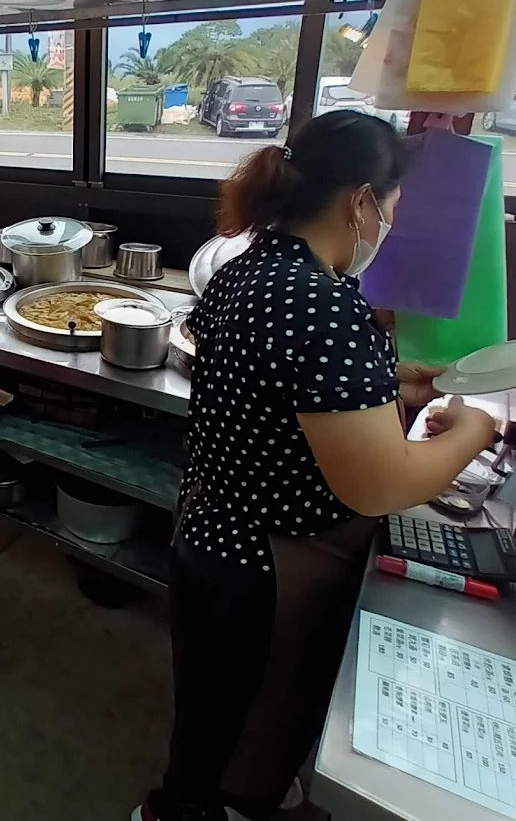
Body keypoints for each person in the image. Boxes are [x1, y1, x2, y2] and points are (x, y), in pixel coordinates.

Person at [134, 111, 496, 821]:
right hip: (268, 566)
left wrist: (393, 391)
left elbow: (282, 404)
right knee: (250, 724)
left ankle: (189, 803)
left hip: (210, 536)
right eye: (391, 203)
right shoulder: (326, 306)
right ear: (361, 200)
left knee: (212, 718)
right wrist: (472, 429)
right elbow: (381, 482)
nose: (391, 219)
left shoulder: (250, 270)